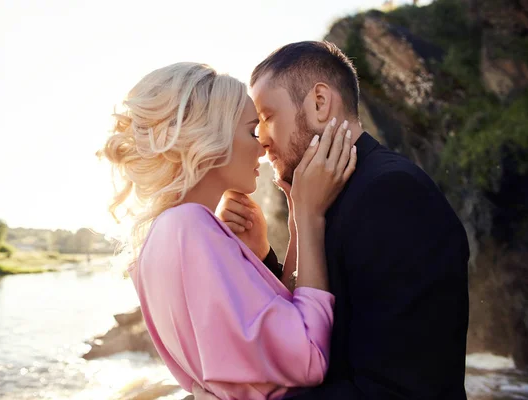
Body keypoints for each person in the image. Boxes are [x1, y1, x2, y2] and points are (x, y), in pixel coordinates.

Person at [195, 41, 470, 399]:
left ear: (320, 103)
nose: (261, 140)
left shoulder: (392, 193)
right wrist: (263, 255)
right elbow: (307, 328)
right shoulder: (326, 193)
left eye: (267, 117)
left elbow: (400, 389)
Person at [99, 62, 357, 400]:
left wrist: (268, 247)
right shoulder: (189, 227)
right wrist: (310, 217)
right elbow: (307, 357)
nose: (263, 145)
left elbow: (263, 351)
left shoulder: (163, 237)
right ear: (211, 138)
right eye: (251, 130)